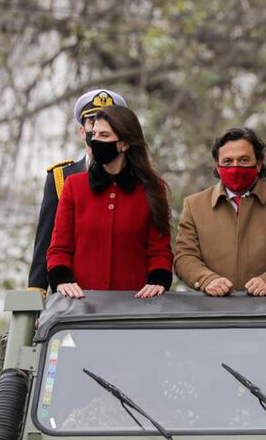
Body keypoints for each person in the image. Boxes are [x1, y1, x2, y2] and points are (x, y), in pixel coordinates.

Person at [47, 105, 173, 298]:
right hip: (81, 303)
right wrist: (62, 279)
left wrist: (158, 280)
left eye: (104, 135)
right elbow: (59, 247)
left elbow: (159, 250)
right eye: (94, 133)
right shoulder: (74, 186)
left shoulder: (152, 189)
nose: (95, 140)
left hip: (134, 305)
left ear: (124, 143)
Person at [175, 127, 266, 296]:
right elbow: (184, 257)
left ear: (259, 163)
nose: (235, 167)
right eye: (227, 161)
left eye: (244, 160)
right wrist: (207, 280)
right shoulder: (194, 206)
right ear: (217, 166)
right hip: (211, 311)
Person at [28, 88, 128, 294]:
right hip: (73, 293)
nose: (98, 129)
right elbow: (46, 239)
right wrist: (37, 291)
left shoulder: (137, 178)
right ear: (82, 130)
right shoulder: (61, 177)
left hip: (126, 293)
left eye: (108, 123)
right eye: (93, 122)